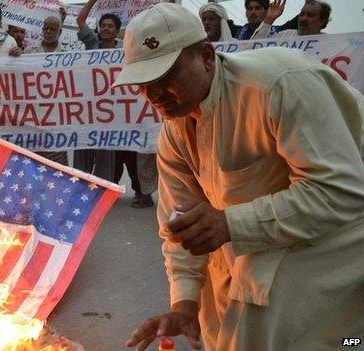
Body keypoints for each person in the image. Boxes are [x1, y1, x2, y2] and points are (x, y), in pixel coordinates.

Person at [113, 4, 364, 351]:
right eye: (143, 84)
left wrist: (230, 224)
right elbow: (180, 224)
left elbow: (340, 191)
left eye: (165, 77)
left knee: (269, 320)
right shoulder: (174, 129)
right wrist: (185, 303)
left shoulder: (278, 85)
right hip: (266, 233)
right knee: (216, 325)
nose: (153, 95)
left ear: (205, 56)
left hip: (345, 228)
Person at [73, 0, 122, 182]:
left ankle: (102, 189)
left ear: (117, 32)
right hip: (88, 109)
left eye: (110, 26)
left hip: (111, 111)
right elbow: (81, 21)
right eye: (103, 25)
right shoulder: (92, 44)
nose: (106, 28)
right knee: (83, 147)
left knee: (106, 152)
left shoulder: (124, 52)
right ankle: (79, 185)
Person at [24, 15, 70, 167]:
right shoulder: (28, 52)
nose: (49, 32)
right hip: (33, 113)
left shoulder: (69, 55)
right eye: (46, 28)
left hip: (57, 114)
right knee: (33, 156)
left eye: (53, 29)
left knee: (56, 157)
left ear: (60, 31)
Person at [252, 0, 330, 39]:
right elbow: (253, 47)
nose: (304, 18)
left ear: (322, 21)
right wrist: (269, 19)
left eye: (310, 15)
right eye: (302, 14)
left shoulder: (329, 41)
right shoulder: (285, 36)